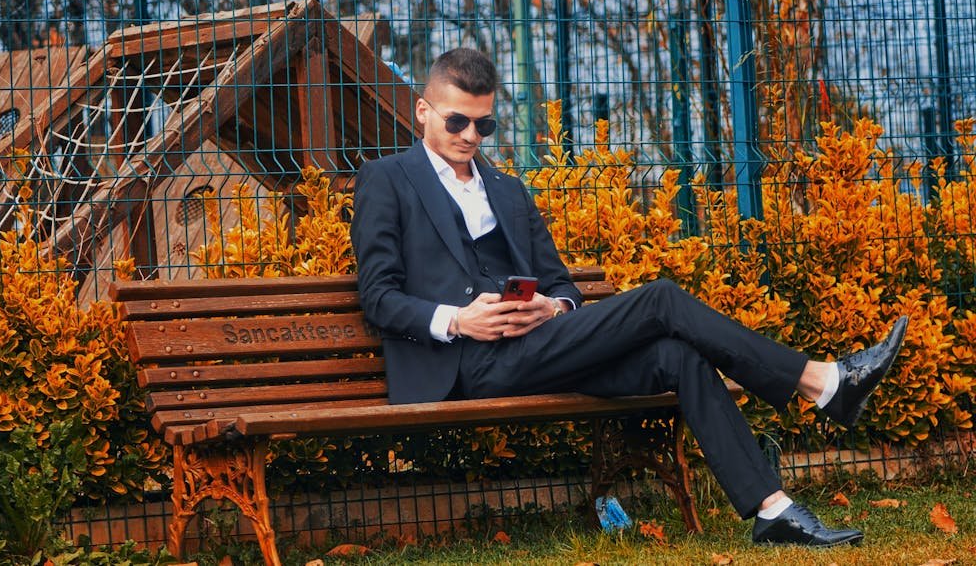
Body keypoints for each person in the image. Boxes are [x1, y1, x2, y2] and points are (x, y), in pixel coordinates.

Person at [349, 47, 908, 547]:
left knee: (678, 356)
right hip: (467, 363)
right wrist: (458, 321)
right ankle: (823, 382)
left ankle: (773, 510)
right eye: (457, 121)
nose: (471, 137)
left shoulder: (507, 190)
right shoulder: (387, 179)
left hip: (537, 344)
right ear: (423, 111)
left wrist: (554, 306)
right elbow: (379, 296)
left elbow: (560, 283)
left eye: (484, 125)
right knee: (661, 299)